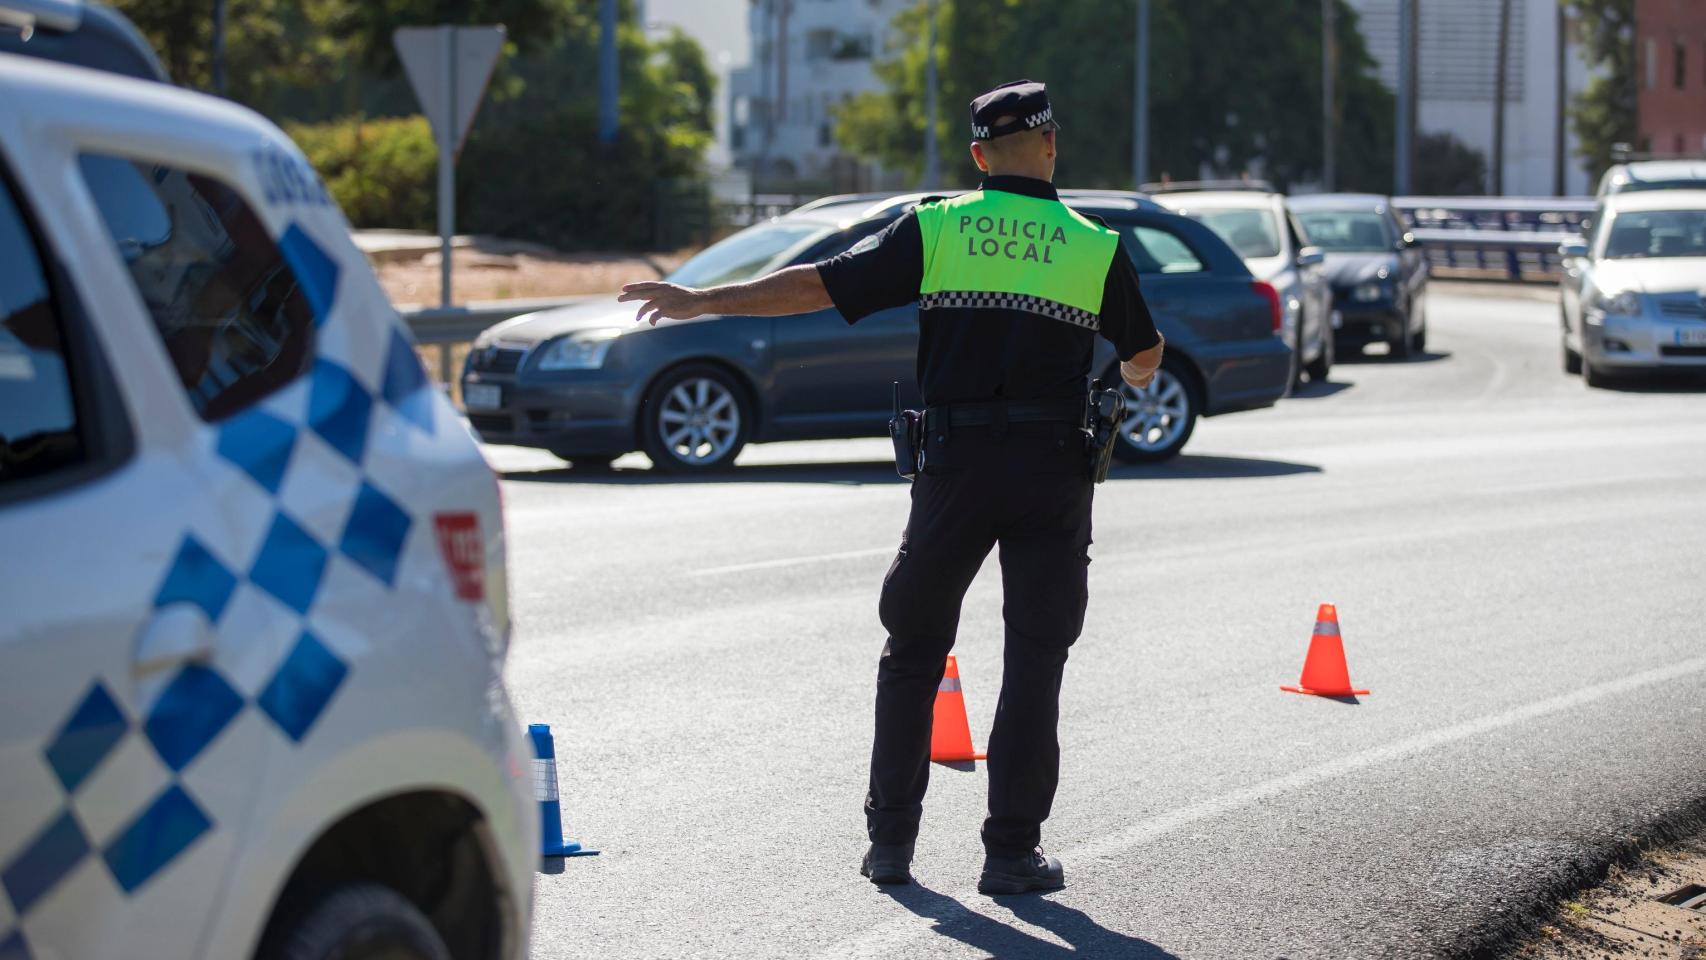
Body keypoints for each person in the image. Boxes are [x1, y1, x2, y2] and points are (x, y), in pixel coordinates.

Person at [619, 80, 1164, 895]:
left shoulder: (938, 227)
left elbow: (817, 285)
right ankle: (1011, 855)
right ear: (1052, 146)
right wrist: (1124, 369)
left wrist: (702, 300)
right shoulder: (1094, 246)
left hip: (954, 468)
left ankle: (891, 847)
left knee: (912, 652)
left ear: (979, 158)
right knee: (1034, 660)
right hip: (1052, 471)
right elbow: (1144, 352)